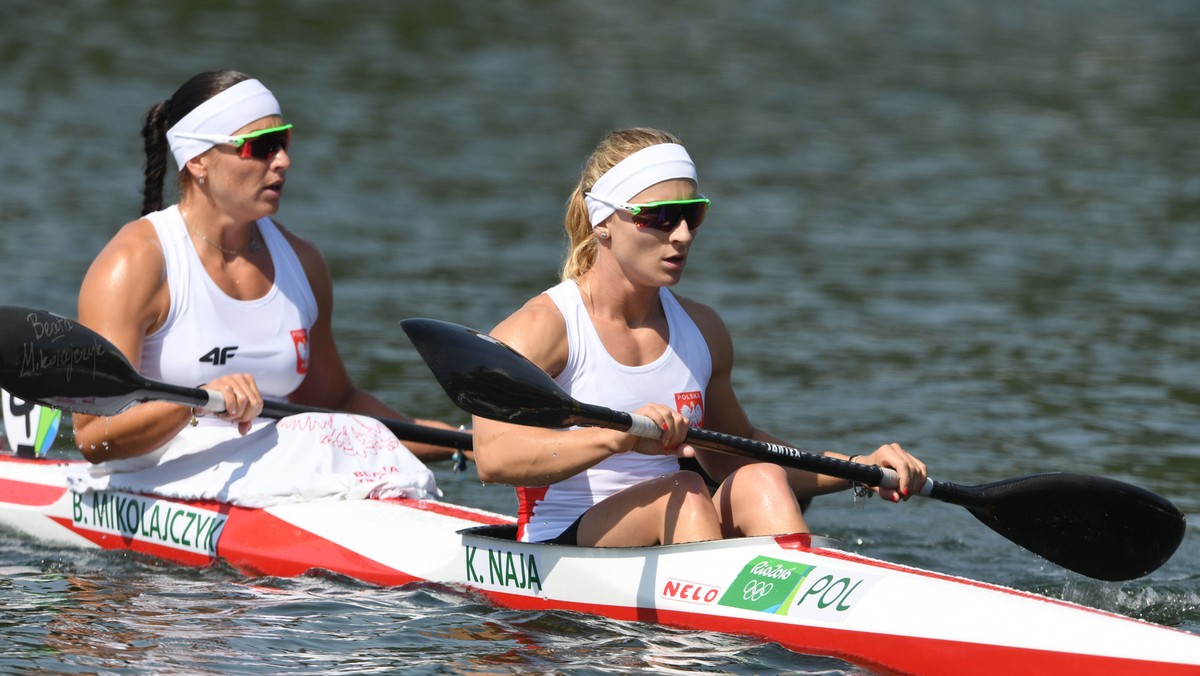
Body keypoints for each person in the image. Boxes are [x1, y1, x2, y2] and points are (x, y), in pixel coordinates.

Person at [472, 128, 928, 546]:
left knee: (760, 480)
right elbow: (493, 457)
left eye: (693, 215)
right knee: (686, 489)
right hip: (561, 540)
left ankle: (798, 616)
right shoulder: (541, 329)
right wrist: (621, 436)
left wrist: (859, 469)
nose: (683, 235)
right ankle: (723, 633)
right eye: (662, 218)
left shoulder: (703, 330)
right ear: (603, 222)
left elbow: (737, 451)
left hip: (675, 524)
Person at [72, 70, 460, 473]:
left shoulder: (303, 263)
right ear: (198, 160)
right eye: (261, 147)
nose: (284, 161)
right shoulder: (134, 263)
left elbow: (340, 405)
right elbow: (92, 434)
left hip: (272, 481)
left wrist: (462, 443)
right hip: (151, 481)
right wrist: (196, 401)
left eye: (284, 141)